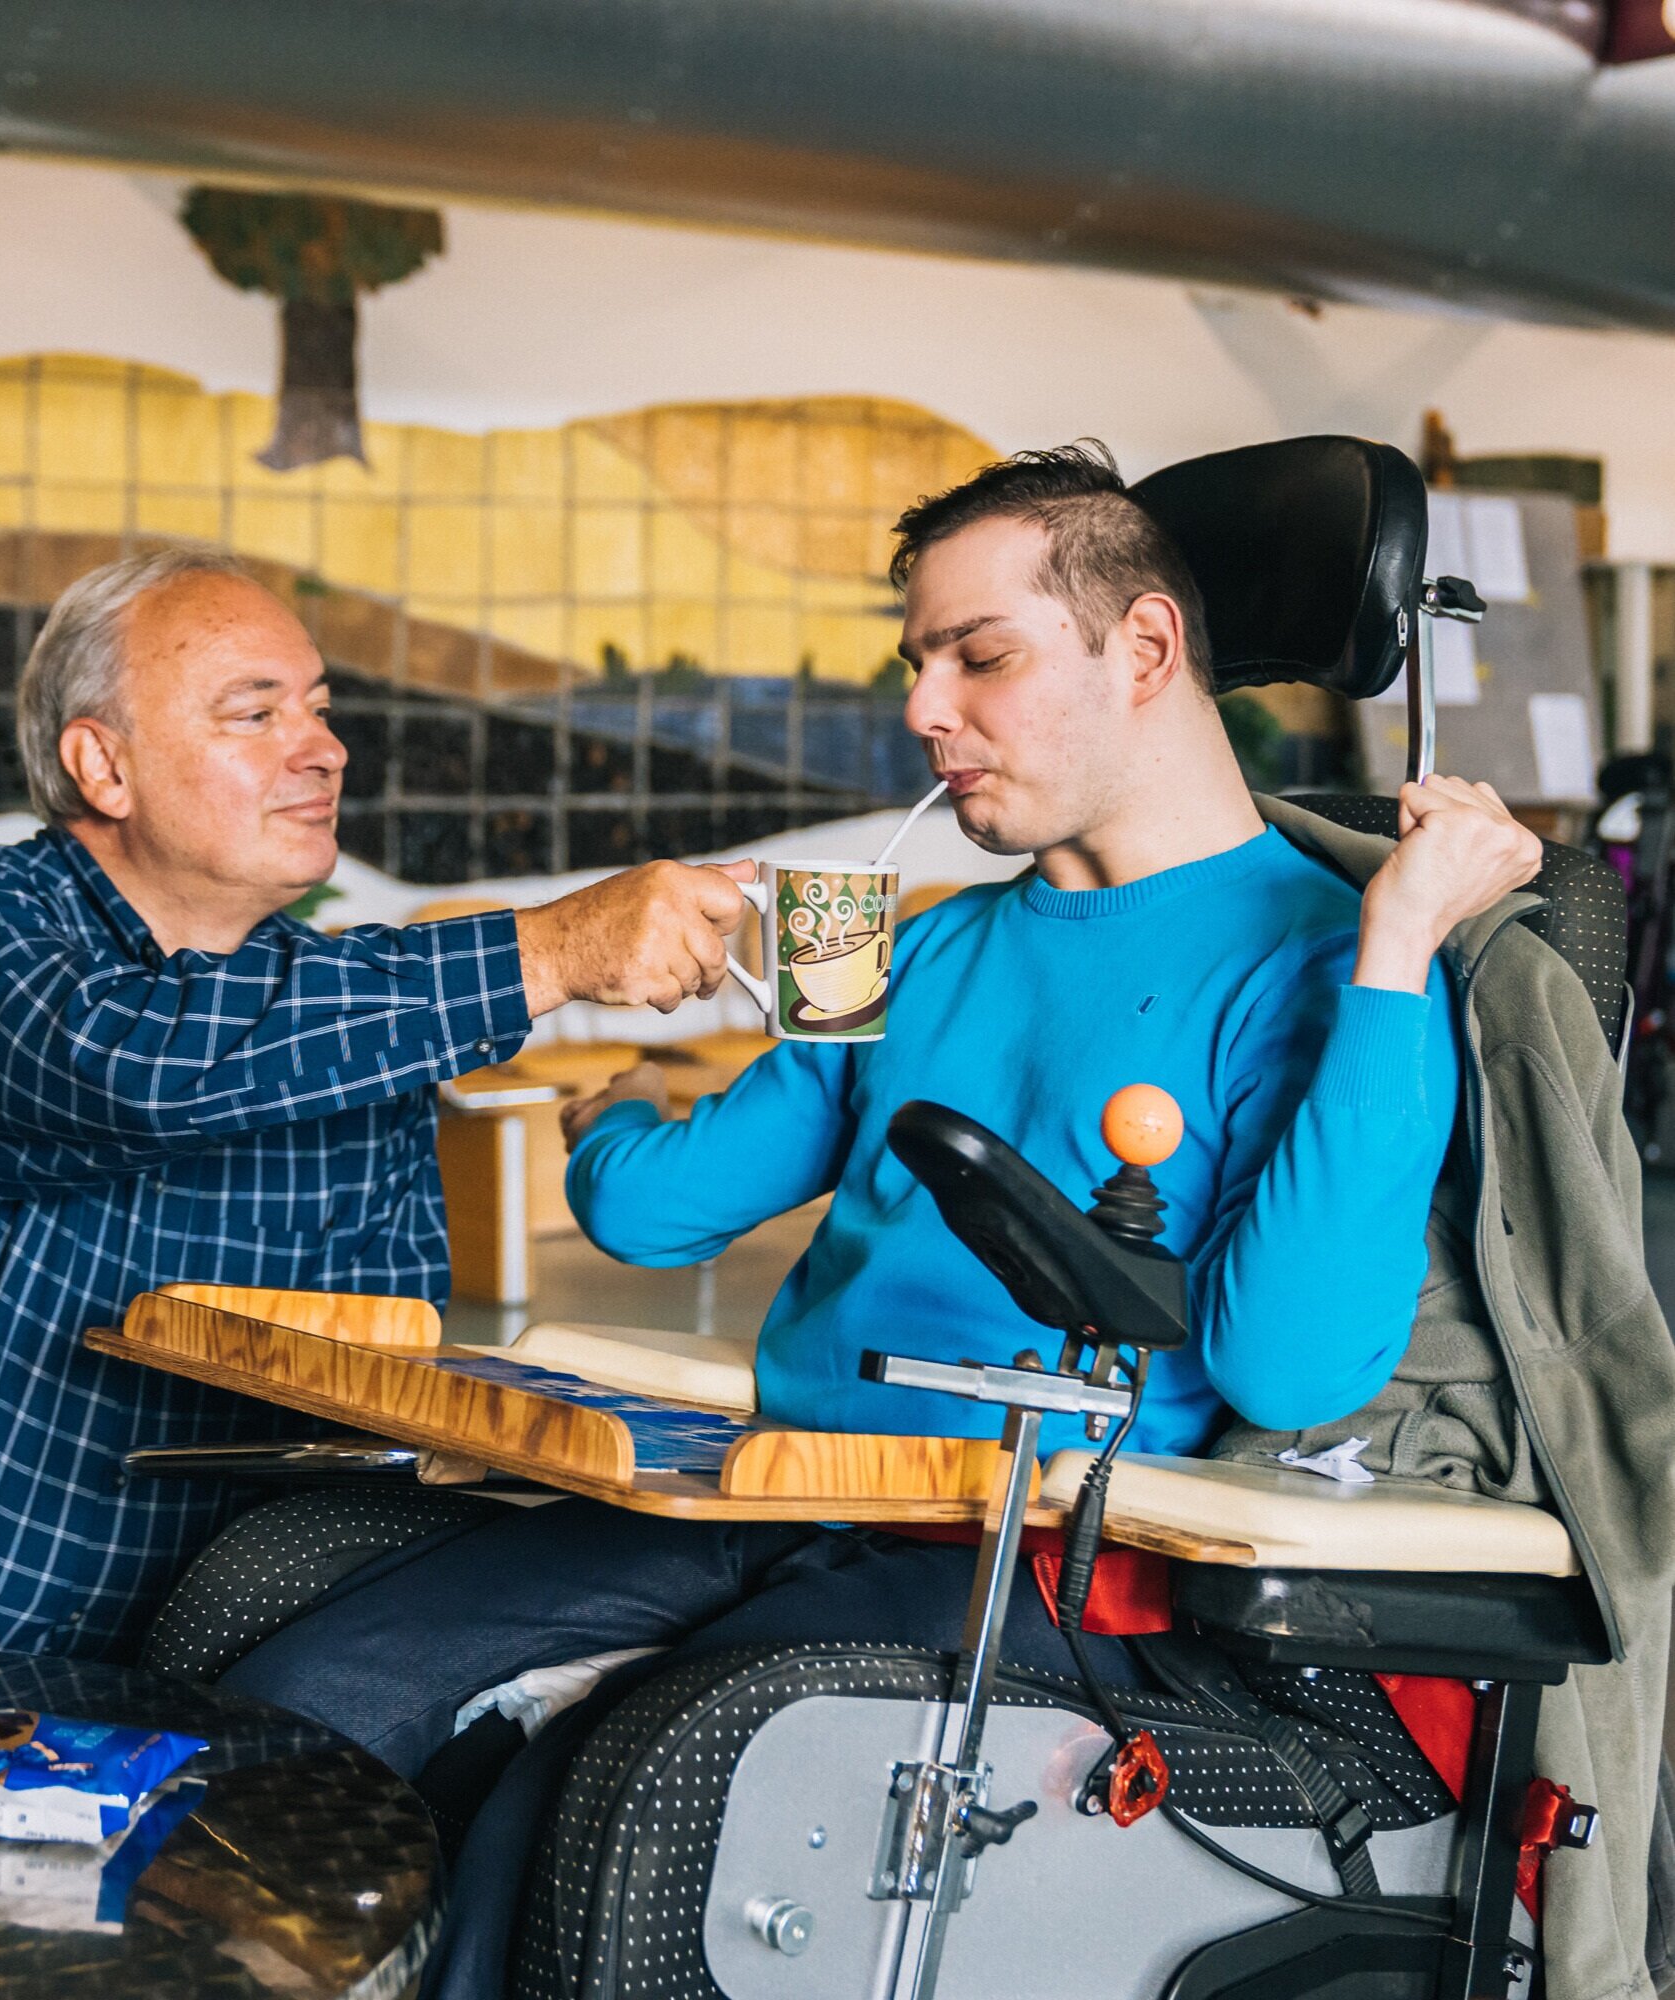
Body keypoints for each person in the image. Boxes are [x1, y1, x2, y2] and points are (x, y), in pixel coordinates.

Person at [214, 443, 1541, 1996]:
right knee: (308, 1698)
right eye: (917, 663)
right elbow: (652, 1215)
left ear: (1143, 649)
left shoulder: (1340, 960)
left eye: (979, 656)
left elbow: (1289, 1366)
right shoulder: (906, 942)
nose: (924, 709)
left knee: (613, 1797)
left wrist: (1397, 948)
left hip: (1039, 1553)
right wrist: (610, 1110)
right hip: (790, 1489)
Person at [0, 548, 756, 1657]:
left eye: (320, 709)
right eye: (256, 714)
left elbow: (371, 1374)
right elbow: (130, 1065)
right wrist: (548, 948)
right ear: (103, 765)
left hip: (112, 1680)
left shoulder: (354, 1027)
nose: (325, 748)